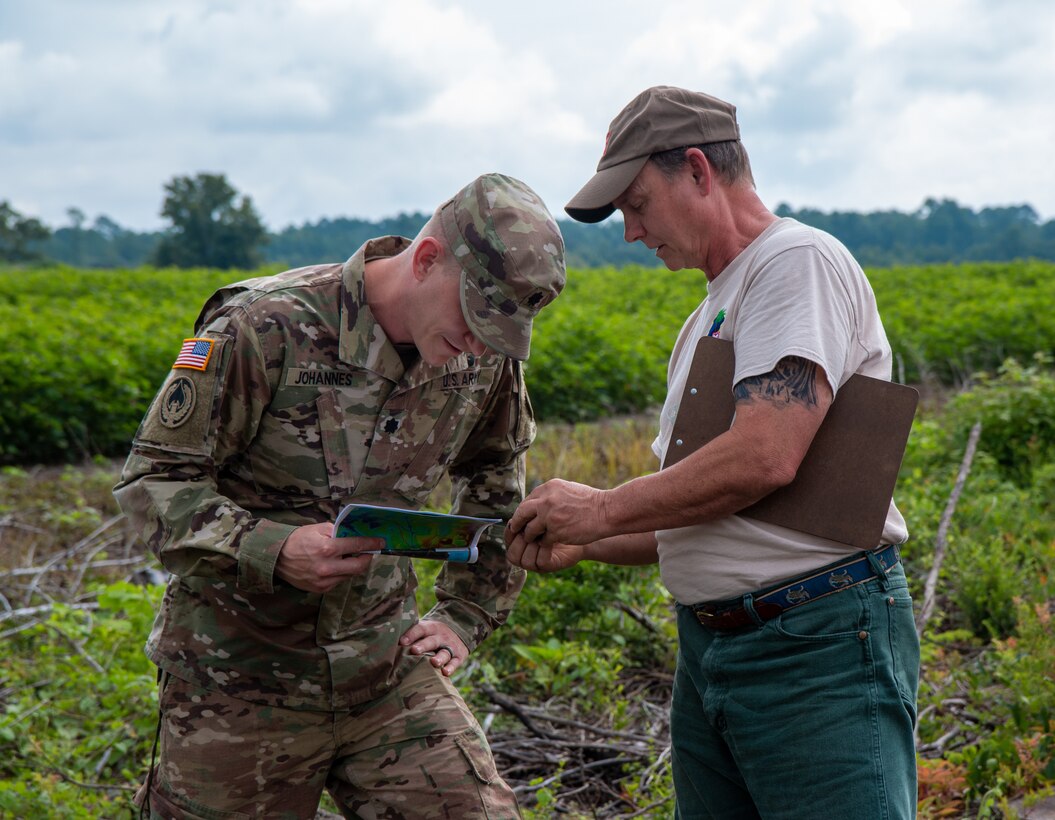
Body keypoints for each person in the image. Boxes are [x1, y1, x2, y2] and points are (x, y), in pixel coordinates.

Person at [505, 86, 920, 819]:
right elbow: (699, 510)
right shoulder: (707, 315)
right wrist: (585, 540)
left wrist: (600, 508)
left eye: (637, 204)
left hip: (812, 645)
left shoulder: (795, 261)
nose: (632, 232)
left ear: (698, 170)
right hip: (714, 651)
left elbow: (764, 456)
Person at [114, 172, 566, 819]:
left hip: (385, 667)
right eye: (473, 317)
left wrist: (466, 613)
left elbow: (496, 480)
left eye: (498, 332)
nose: (477, 343)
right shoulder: (265, 326)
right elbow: (151, 482)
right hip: (238, 684)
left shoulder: (486, 355)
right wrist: (272, 549)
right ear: (427, 259)